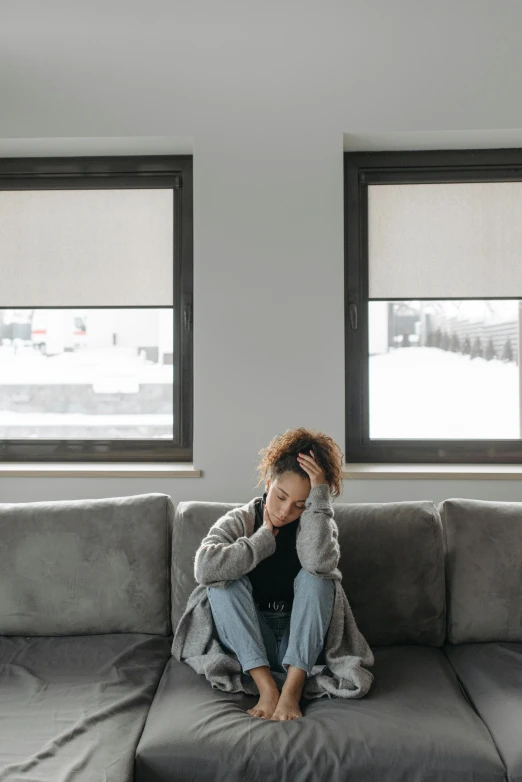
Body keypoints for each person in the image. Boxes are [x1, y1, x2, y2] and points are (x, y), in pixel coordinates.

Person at [172, 427, 374, 721]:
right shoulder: (240, 520)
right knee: (221, 582)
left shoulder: (317, 524)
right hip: (252, 642)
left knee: (318, 577)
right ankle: (267, 688)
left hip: (303, 643)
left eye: (300, 505)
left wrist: (319, 499)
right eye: (280, 496)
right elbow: (204, 569)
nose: (284, 511)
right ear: (268, 482)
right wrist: (262, 540)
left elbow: (319, 563)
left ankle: (291, 691)